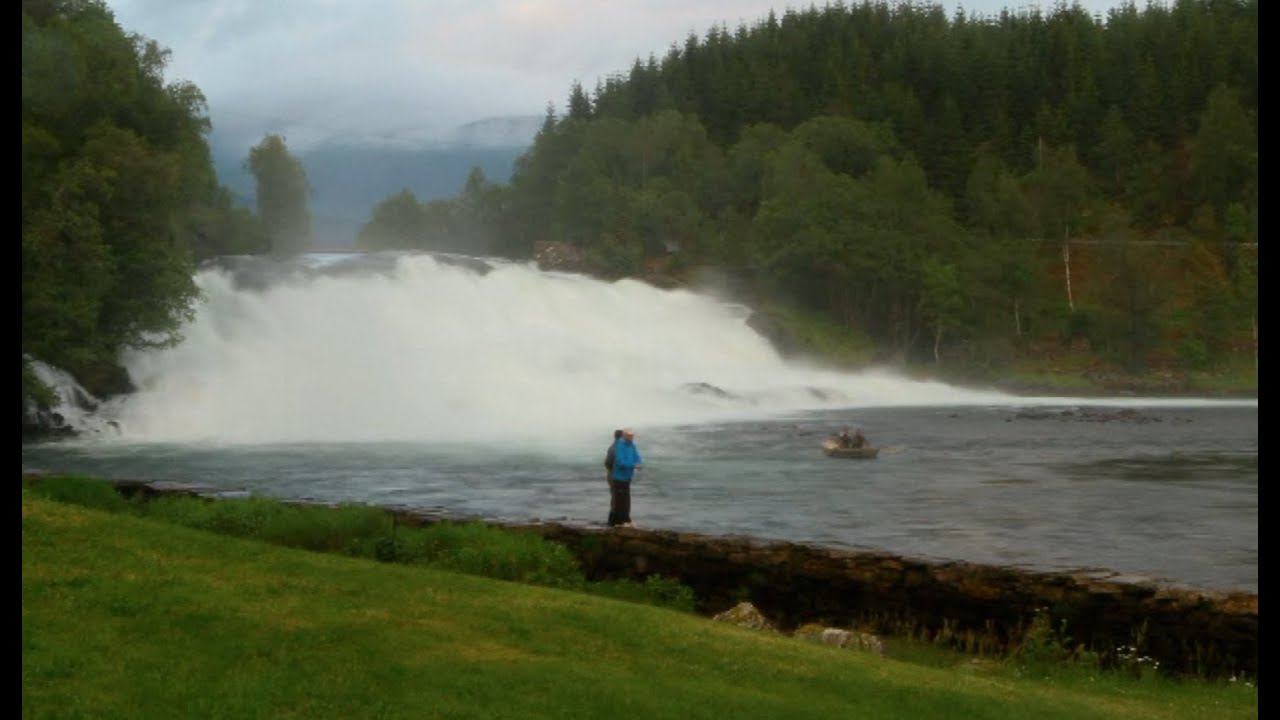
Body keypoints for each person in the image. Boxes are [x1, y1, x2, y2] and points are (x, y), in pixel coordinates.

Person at [608, 428, 643, 528]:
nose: (631, 437)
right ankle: (617, 522)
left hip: (627, 477)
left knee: (626, 500)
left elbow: (637, 457)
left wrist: (639, 463)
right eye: (629, 435)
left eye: (632, 435)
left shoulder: (632, 446)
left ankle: (626, 520)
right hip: (618, 477)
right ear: (624, 436)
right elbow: (620, 462)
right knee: (619, 501)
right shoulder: (619, 446)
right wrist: (633, 465)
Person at [604, 429, 623, 524]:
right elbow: (608, 463)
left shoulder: (613, 447)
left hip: (612, 474)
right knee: (616, 497)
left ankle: (615, 519)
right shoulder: (615, 448)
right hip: (614, 475)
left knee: (616, 496)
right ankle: (613, 520)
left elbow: (607, 463)